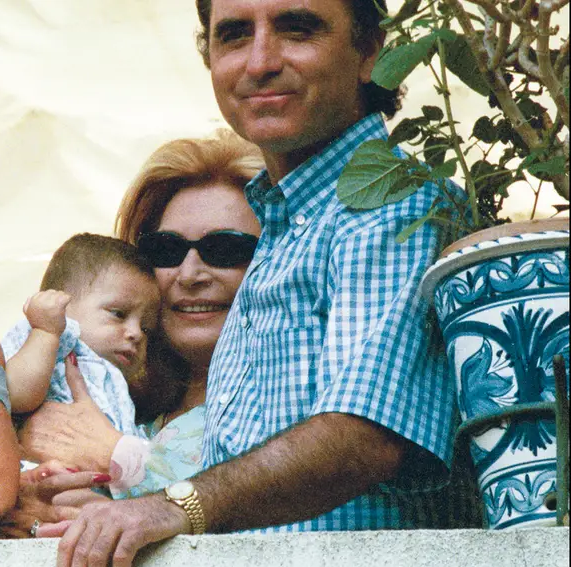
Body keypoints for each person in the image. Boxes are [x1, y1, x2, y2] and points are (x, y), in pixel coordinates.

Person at [52, 0, 461, 563]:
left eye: (297, 28)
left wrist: (174, 505)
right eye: (235, 35)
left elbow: (366, 435)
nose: (260, 61)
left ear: (369, 51)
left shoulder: (389, 203)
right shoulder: (286, 225)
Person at [3, 130, 263, 536]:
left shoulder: (297, 398)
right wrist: (28, 513)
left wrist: (113, 455)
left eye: (225, 250)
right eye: (166, 250)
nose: (190, 274)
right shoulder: (106, 389)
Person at [3, 233, 159, 439]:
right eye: (118, 314)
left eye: (146, 328)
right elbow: (14, 393)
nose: (136, 333)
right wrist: (46, 332)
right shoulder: (44, 337)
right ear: (60, 304)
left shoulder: (117, 384)